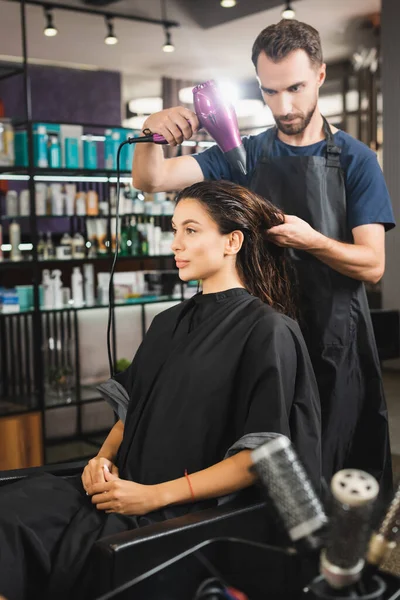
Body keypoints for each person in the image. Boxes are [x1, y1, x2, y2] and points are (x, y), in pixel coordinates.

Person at [0, 181, 321, 600]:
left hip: (178, 510)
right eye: (174, 230)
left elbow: (260, 458)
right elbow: (132, 410)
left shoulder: (268, 331)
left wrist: (152, 497)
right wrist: (101, 459)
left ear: (233, 241)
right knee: (10, 512)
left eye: (190, 230)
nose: (175, 244)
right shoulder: (166, 322)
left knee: (75, 560)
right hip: (119, 490)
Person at [132, 19, 395, 495]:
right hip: (260, 340)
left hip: (334, 340)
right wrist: (151, 132)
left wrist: (310, 240)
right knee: (261, 468)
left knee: (331, 470)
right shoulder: (242, 155)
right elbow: (152, 180)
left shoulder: (356, 160)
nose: (284, 106)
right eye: (270, 92)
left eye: (294, 88)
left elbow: (372, 263)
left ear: (318, 76)